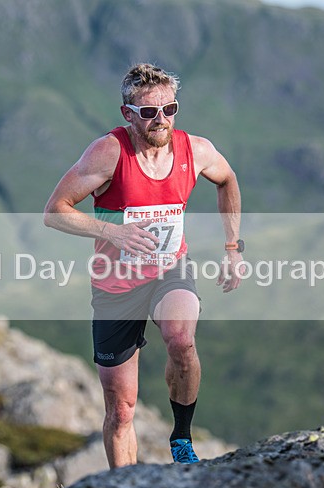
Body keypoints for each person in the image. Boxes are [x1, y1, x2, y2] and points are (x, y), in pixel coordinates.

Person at [44, 63, 244, 467]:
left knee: (181, 339)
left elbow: (227, 180)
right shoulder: (108, 152)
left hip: (170, 271)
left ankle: (182, 439)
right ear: (128, 114)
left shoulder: (196, 150)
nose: (161, 120)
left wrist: (232, 247)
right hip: (116, 287)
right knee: (121, 411)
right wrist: (113, 232)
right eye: (149, 112)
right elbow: (55, 212)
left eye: (169, 109)